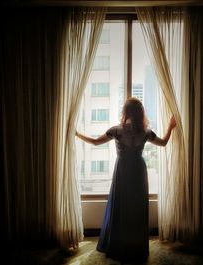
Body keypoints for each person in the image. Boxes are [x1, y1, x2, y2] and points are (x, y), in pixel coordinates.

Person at [75, 97, 176, 263]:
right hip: (138, 171)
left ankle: (118, 246)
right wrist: (171, 127)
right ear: (141, 114)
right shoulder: (146, 132)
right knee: (136, 208)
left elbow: (94, 142)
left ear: (125, 112)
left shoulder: (116, 131)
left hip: (123, 171)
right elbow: (164, 143)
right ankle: (136, 248)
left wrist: (77, 134)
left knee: (121, 206)